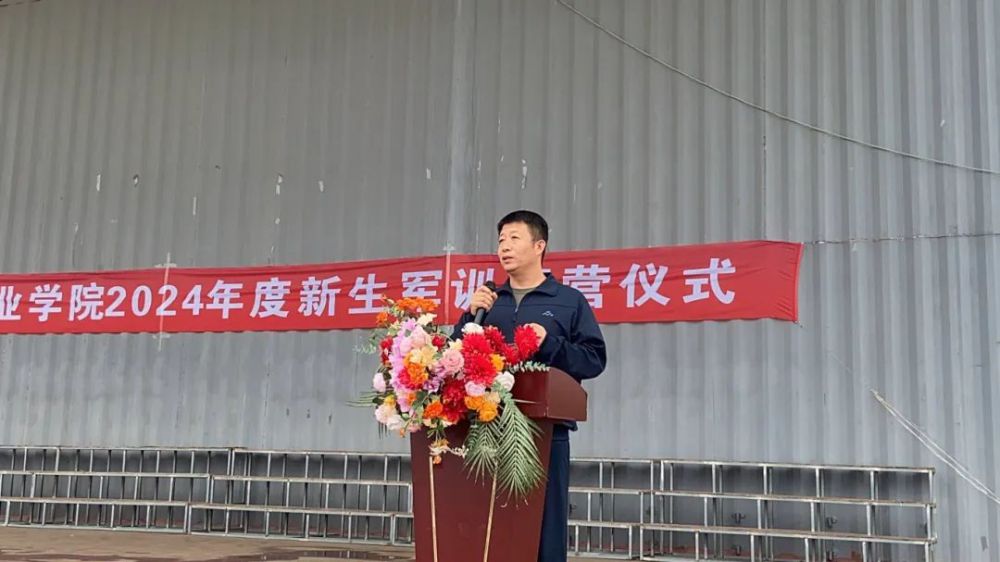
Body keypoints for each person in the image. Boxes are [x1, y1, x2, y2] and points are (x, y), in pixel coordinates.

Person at [452, 210, 607, 562]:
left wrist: (550, 344)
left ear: (539, 246)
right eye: (500, 240)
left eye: (514, 238)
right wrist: (468, 317)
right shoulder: (489, 303)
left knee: (542, 529)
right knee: (490, 528)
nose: (504, 247)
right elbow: (454, 357)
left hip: (544, 434)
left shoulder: (568, 301)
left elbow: (594, 359)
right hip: (485, 430)